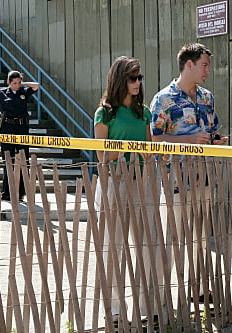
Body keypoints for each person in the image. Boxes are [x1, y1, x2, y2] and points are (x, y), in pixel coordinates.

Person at [150, 42, 228, 304]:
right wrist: (190, 139)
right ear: (189, 65)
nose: (208, 70)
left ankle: (197, 289)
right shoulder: (164, 98)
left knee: (201, 238)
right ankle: (160, 297)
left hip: (204, 177)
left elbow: (213, 128)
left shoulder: (207, 97)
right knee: (171, 238)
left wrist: (215, 140)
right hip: (174, 180)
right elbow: (154, 140)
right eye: (204, 65)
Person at [93, 56, 159, 329]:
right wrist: (125, 148)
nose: (137, 83)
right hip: (115, 182)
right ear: (120, 79)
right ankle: (116, 310)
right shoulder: (105, 113)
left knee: (147, 244)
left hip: (142, 180)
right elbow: (100, 154)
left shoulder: (143, 112)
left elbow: (151, 146)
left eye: (140, 77)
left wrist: (152, 152)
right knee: (113, 246)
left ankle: (148, 308)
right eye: (133, 78)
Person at [0, 70, 39, 201]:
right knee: (8, 158)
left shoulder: (24, 91)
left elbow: (36, 86)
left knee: (23, 159)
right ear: (8, 82)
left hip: (22, 127)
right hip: (7, 127)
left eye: (18, 83)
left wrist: (22, 83)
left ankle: (21, 192)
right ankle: (7, 191)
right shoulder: (2, 93)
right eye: (14, 83)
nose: (17, 85)